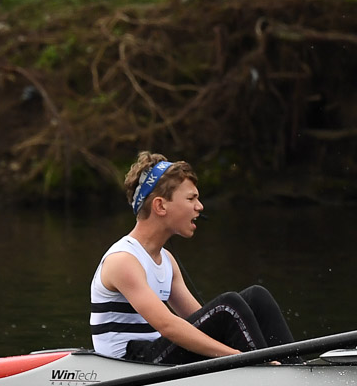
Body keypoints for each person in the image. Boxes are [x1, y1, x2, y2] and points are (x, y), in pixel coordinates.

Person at [90, 152, 296, 364]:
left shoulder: (167, 260)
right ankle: (270, 373)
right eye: (191, 198)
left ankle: (293, 369)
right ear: (160, 206)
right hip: (128, 363)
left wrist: (231, 348)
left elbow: (204, 320)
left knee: (256, 297)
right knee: (228, 306)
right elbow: (168, 325)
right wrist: (240, 358)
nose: (200, 206)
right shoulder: (123, 260)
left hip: (153, 355)